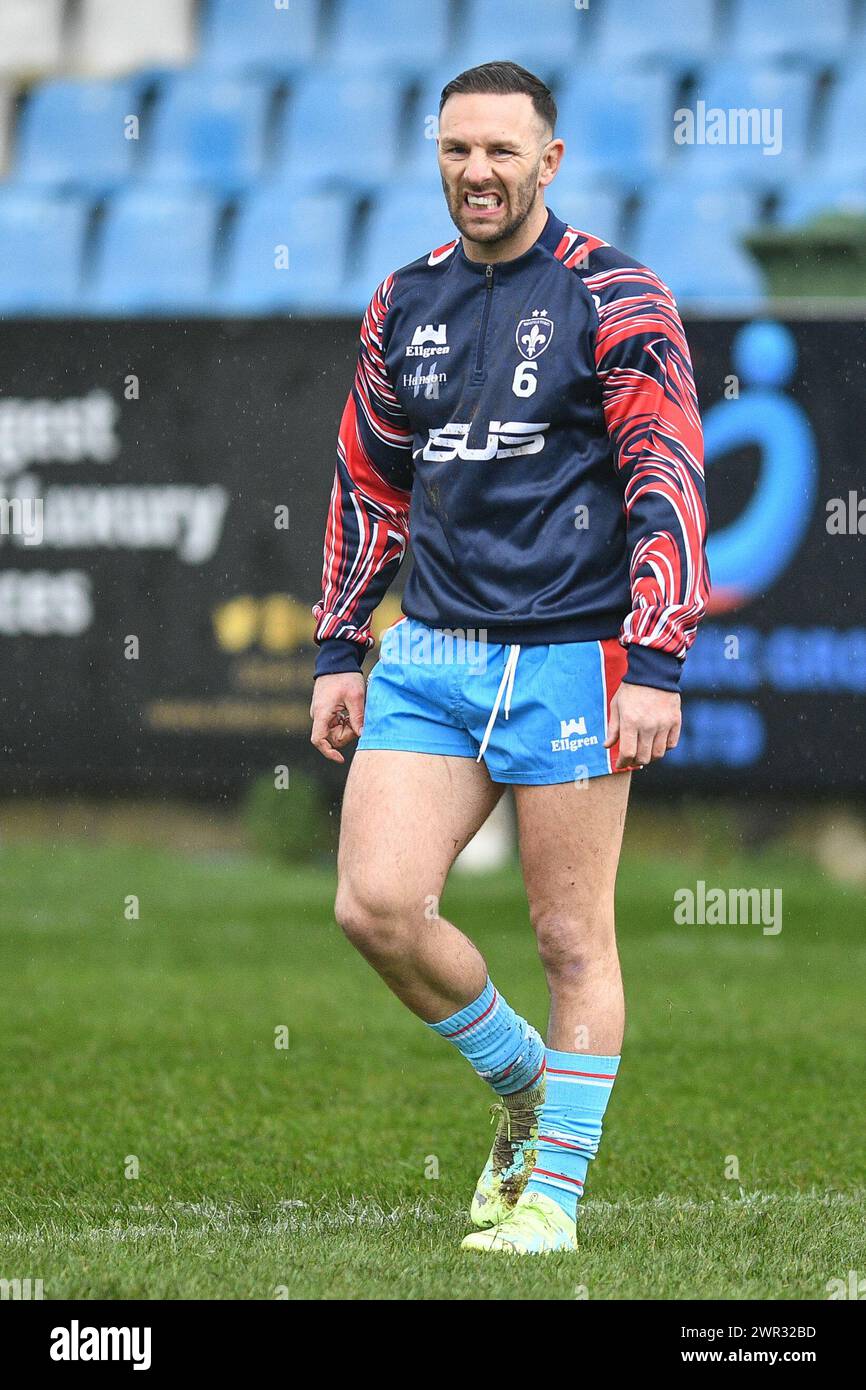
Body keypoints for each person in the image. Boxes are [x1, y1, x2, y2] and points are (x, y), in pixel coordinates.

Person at [310, 61, 709, 1253]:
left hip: (574, 656)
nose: (475, 172)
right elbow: (368, 481)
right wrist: (341, 641)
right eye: (454, 151)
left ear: (548, 161)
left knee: (568, 938)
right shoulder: (402, 301)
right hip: (431, 652)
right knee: (376, 906)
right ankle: (526, 1089)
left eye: (498, 151)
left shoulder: (616, 296)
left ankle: (551, 1205)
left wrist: (655, 658)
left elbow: (666, 480)